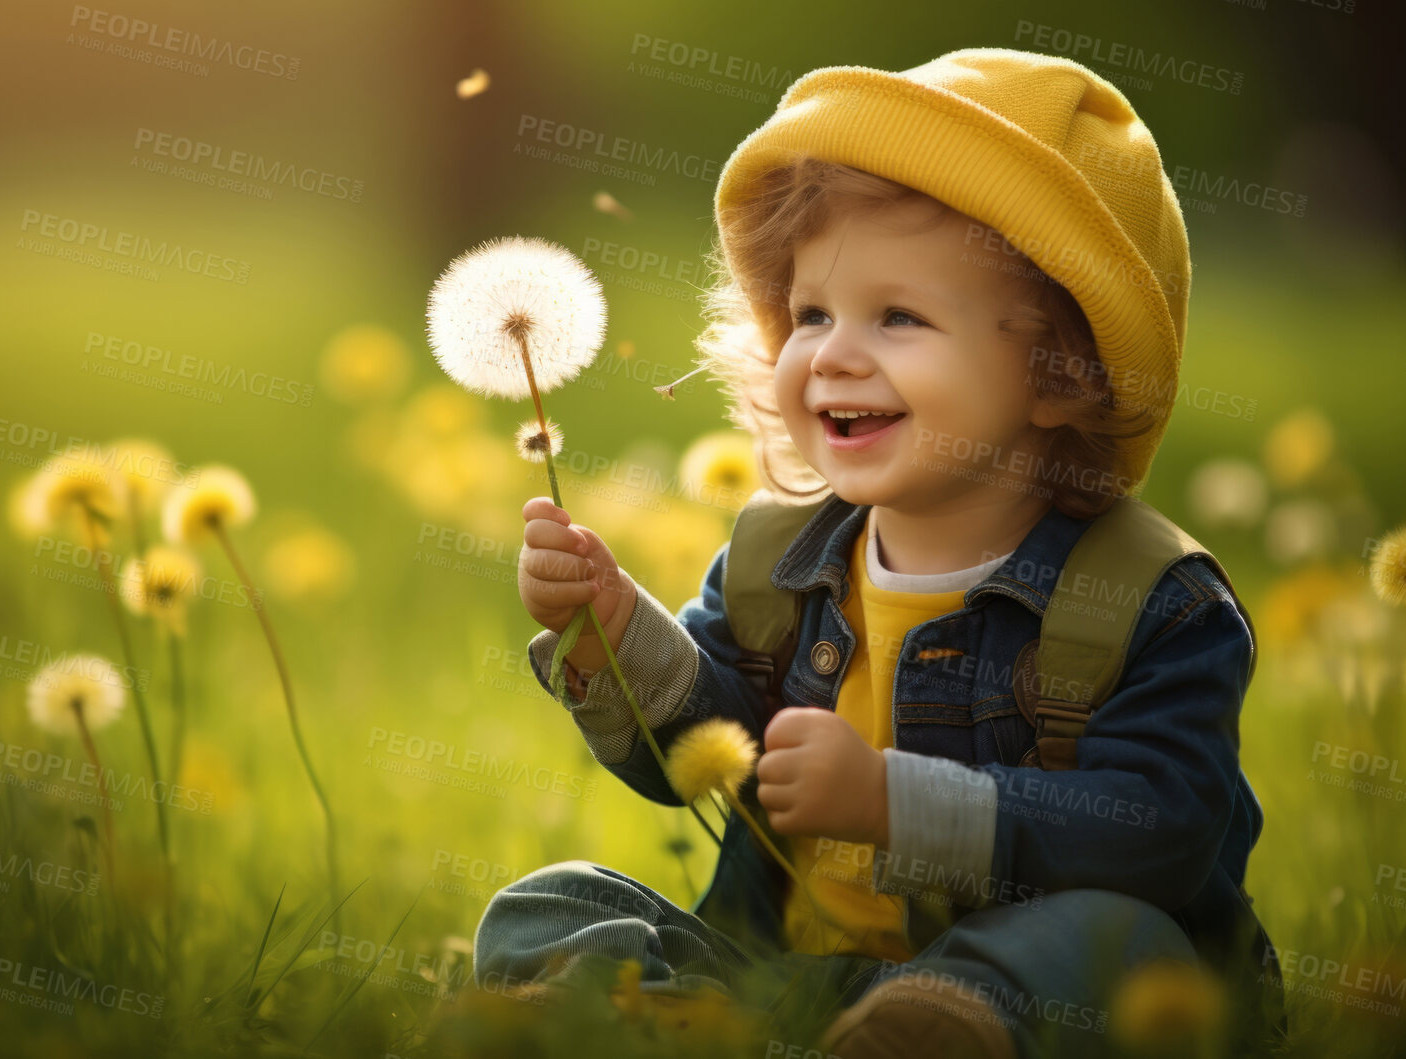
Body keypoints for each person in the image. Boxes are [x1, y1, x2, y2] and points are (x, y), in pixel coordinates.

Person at [476, 47, 1278, 1058]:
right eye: (811, 313)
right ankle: (659, 1028)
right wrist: (613, 628)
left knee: (1119, 938)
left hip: (1030, 990)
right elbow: (702, 752)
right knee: (549, 904)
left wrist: (895, 803)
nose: (833, 352)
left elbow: (1154, 833)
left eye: (897, 316)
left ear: (1060, 372)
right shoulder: (780, 556)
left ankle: (930, 1031)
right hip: (784, 977)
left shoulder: (1146, 604)